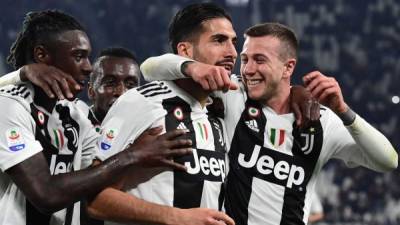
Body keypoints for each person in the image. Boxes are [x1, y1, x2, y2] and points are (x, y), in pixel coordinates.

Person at [140, 22, 398, 225]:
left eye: (259, 60)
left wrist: (343, 110)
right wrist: (192, 68)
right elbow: (150, 68)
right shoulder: (233, 95)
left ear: (288, 68)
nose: (248, 69)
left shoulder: (321, 122)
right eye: (245, 59)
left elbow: (388, 161)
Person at [0, 10, 192, 225]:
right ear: (42, 55)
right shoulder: (10, 105)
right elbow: (47, 194)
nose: (88, 67)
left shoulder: (73, 116)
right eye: (78, 56)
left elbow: (99, 171)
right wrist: (134, 155)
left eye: (87, 57)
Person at [86, 3, 238, 225]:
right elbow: (95, 199)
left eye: (234, 42)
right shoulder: (142, 101)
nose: (231, 52)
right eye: (219, 40)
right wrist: (178, 217)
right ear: (185, 51)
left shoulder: (217, 111)